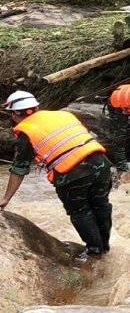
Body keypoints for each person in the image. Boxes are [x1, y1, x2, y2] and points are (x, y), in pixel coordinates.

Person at [0, 91, 113, 259]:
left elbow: (19, 169)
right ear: (37, 108)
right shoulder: (63, 115)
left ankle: (95, 251)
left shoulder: (27, 132)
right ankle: (105, 247)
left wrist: (6, 199)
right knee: (101, 206)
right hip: (101, 164)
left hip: (72, 174)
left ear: (14, 114)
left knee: (80, 212)